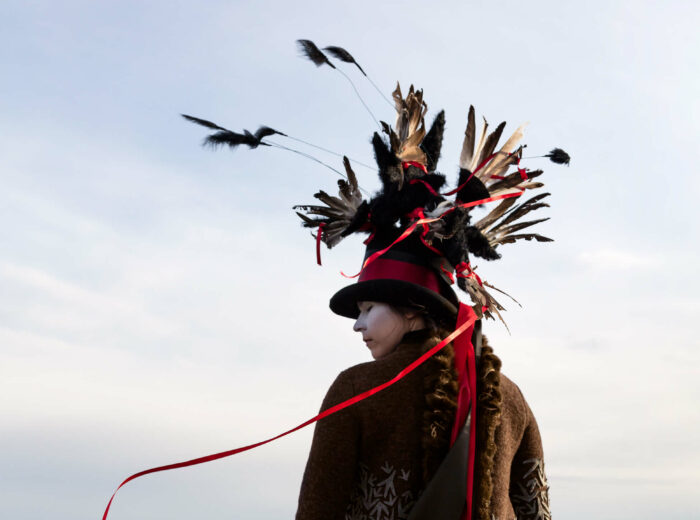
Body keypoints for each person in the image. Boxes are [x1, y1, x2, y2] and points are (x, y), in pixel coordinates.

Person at [294, 230, 551, 520]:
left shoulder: (354, 386)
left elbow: (318, 509)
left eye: (367, 309)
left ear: (411, 310)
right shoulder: (511, 395)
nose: (358, 325)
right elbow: (536, 509)